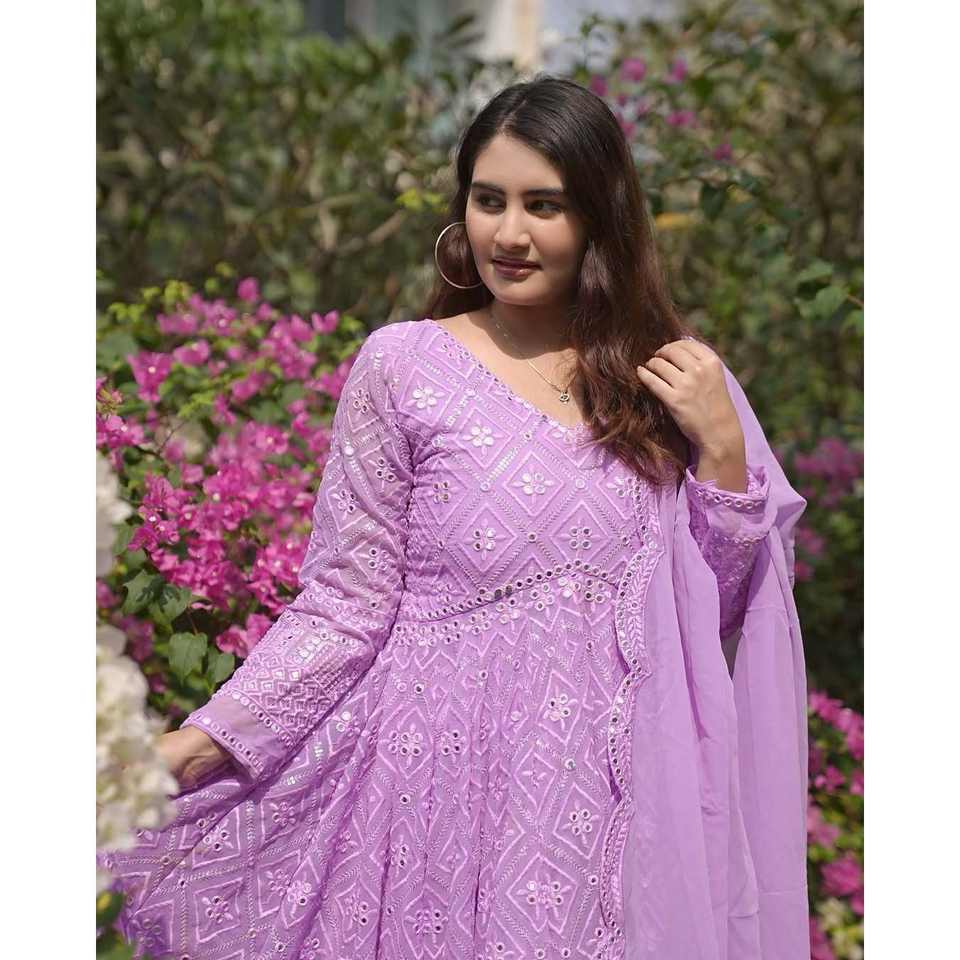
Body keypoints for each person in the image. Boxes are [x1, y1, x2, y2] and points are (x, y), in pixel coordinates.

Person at [98, 75, 809, 960]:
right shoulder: (403, 366)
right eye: (488, 199)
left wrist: (723, 453)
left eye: (543, 205)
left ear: (600, 217)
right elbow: (344, 606)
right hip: (430, 793)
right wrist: (203, 745)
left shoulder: (669, 383)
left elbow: (716, 618)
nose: (508, 234)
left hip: (612, 803)